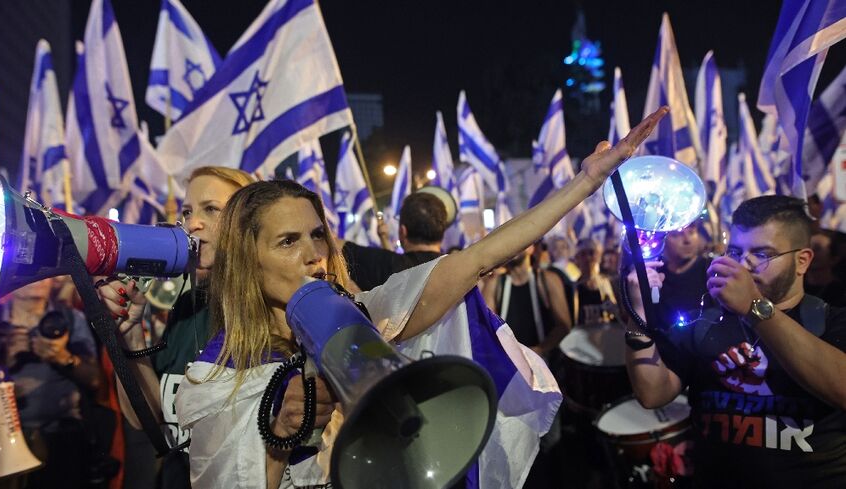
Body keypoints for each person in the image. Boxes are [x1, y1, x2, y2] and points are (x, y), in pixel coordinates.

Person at [173, 107, 669, 489]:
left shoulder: (367, 316)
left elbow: (478, 258)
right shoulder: (218, 375)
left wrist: (586, 182)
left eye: (317, 235)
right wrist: (280, 432)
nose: (313, 255)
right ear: (247, 260)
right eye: (288, 242)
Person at [624, 195, 846, 488]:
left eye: (763, 254)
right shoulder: (705, 321)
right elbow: (652, 393)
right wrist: (636, 312)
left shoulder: (831, 320)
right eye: (737, 252)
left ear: (802, 261)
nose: (745, 265)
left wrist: (754, 308)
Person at [97, 166, 255, 489]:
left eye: (211, 209)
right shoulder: (186, 308)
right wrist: (130, 333)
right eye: (187, 211)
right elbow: (149, 417)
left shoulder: (267, 313)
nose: (192, 223)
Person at [0, 278, 102, 488]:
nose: (38, 279)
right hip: (1, 438)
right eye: (29, 273)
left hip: (60, 438)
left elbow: (95, 379)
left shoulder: (69, 319)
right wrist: (2, 361)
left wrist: (64, 358)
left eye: (45, 273)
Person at [341, 191, 447, 290]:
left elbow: (339, 247)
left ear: (402, 231)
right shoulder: (457, 270)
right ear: (442, 230)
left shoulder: (386, 266)